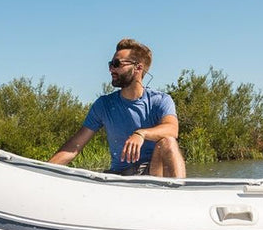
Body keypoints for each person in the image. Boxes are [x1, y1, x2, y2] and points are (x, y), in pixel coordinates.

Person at [50, 38, 186, 177]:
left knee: (168, 141)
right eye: (111, 64)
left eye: (116, 64)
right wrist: (45, 171)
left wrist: (141, 134)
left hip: (153, 172)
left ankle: (180, 189)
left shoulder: (161, 100)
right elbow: (74, 146)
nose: (111, 69)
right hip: (119, 175)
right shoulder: (103, 104)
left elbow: (172, 129)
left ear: (138, 68)